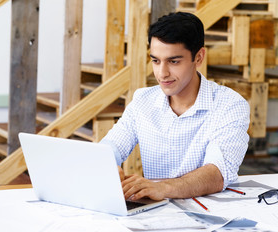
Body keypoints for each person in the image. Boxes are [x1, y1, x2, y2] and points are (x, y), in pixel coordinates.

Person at [100, 12, 250, 202]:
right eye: (155, 61)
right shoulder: (142, 100)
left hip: (209, 216)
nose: (162, 73)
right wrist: (107, 163)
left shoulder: (230, 105)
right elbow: (111, 145)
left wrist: (162, 188)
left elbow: (218, 173)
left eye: (173, 61)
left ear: (199, 57)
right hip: (155, 214)